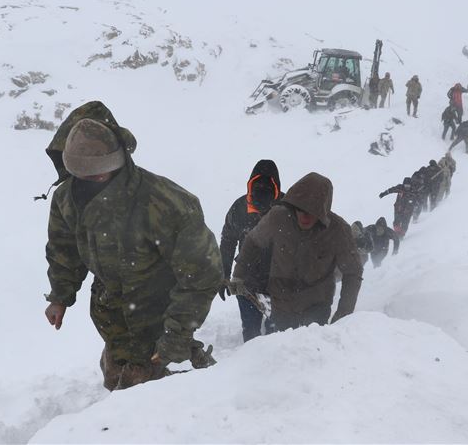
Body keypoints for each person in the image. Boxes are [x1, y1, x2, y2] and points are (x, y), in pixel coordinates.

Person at [42, 101, 223, 391]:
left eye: (99, 174)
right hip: (112, 321)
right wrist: (60, 296)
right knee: (118, 385)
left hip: (162, 322)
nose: (91, 182)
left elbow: (201, 276)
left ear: (117, 161)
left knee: (166, 403)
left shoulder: (167, 204)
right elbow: (64, 250)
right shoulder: (67, 199)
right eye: (82, 175)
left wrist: (176, 338)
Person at [230, 173, 363, 332]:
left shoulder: (338, 230)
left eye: (311, 211)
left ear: (322, 210)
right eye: (300, 209)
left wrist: (343, 314)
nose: (304, 216)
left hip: (317, 307)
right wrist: (239, 275)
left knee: (312, 350)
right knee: (285, 350)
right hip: (281, 303)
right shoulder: (278, 217)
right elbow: (253, 242)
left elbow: (353, 272)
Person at [219, 160, 283, 342]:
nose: (261, 190)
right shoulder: (239, 209)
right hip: (247, 282)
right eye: (258, 185)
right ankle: (250, 364)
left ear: (276, 188)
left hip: (279, 284)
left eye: (267, 186)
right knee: (251, 333)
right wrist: (224, 274)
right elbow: (228, 241)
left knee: (277, 335)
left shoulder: (288, 208)